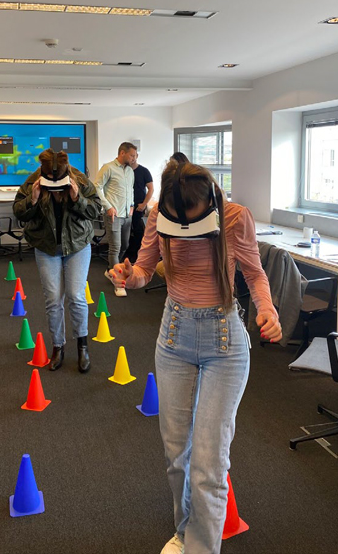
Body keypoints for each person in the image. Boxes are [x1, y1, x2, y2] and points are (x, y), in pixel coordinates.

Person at [110, 160, 282, 554]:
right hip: (174, 338)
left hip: (225, 342)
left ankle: (202, 547)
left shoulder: (236, 217)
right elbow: (143, 270)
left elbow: (255, 274)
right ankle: (185, 532)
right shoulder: (158, 213)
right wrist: (126, 276)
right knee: (177, 455)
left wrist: (268, 311)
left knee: (209, 463)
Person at [13, 148, 101, 373]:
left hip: (77, 245)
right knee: (53, 298)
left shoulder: (79, 180)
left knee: (75, 295)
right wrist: (32, 200)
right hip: (46, 247)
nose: (52, 184)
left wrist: (76, 198)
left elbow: (95, 210)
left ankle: (83, 346)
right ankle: (58, 347)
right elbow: (19, 212)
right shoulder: (33, 180)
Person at [94, 142, 137, 296]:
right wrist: (107, 206)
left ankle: (110, 270)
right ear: (122, 153)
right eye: (131, 155)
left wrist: (132, 204)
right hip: (113, 214)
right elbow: (96, 187)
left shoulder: (130, 171)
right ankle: (118, 282)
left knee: (125, 244)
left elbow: (130, 190)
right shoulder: (108, 168)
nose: (134, 158)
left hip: (127, 215)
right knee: (115, 247)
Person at [124, 152, 154, 264]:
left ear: (137, 156)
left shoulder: (144, 171)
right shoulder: (124, 170)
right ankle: (127, 254)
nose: (132, 158)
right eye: (130, 155)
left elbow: (151, 189)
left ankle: (136, 255)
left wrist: (144, 204)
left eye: (133, 156)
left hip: (138, 207)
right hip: (125, 207)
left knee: (138, 231)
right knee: (126, 231)